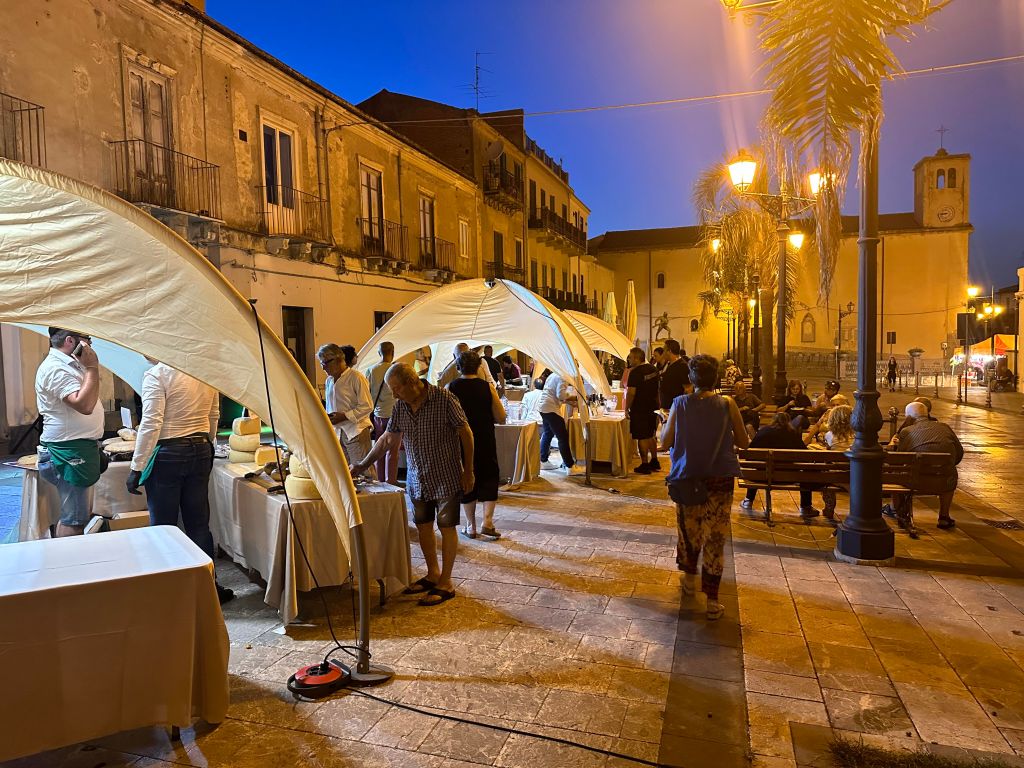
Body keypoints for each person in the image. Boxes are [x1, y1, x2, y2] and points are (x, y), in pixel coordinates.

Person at [351, 363, 474, 606]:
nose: (394, 394)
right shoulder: (400, 407)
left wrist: (468, 471)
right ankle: (432, 574)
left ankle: (446, 583)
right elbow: (387, 439)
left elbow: (466, 433)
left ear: (411, 382)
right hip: (418, 478)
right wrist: (363, 464)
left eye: (397, 388)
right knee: (424, 526)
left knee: (447, 527)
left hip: (446, 475)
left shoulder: (445, 399)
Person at [126, 361, 233, 603]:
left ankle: (166, 591)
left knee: (163, 525)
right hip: (201, 446)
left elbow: (152, 422)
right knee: (198, 524)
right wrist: (207, 444)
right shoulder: (203, 370)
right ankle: (209, 587)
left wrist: (137, 466)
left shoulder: (157, 374)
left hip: (169, 452)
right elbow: (214, 415)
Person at [661, 354, 749, 620]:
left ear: (690, 379)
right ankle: (712, 600)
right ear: (717, 379)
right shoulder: (727, 404)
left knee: (689, 531)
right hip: (720, 478)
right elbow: (744, 442)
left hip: (687, 477)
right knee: (715, 536)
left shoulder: (679, 404)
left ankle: (689, 581)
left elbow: (665, 443)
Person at [34, 328, 104, 537]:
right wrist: (92, 368)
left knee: (78, 515)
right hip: (67, 449)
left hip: (76, 446)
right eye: (88, 340)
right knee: (74, 519)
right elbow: (84, 405)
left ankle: (72, 562)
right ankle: (68, 566)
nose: (91, 345)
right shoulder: (55, 368)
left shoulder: (71, 364)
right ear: (71, 341)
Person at [448, 350, 506, 540]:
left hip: (461, 440)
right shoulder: (486, 387)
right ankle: (487, 523)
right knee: (489, 475)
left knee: (467, 477)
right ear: (480, 366)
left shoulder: (452, 387)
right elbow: (501, 417)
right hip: (485, 437)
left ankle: (470, 525)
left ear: (458, 367)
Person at [888, 401, 963, 530]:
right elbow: (959, 453)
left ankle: (898, 510)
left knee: (897, 473)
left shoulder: (907, 431)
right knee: (950, 472)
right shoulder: (945, 427)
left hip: (915, 481)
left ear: (909, 418)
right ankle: (944, 516)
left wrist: (893, 444)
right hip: (944, 481)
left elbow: (898, 458)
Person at [740, 412, 820, 518]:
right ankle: (805, 507)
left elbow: (750, 454)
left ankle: (748, 500)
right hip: (788, 477)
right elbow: (804, 455)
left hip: (761, 477)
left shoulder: (763, 431)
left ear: (773, 420)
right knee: (805, 472)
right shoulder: (792, 433)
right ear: (789, 422)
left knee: (760, 466)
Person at [318, 343, 375, 475]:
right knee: (344, 473)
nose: (323, 367)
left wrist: (344, 416)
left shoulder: (356, 377)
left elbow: (367, 406)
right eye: (321, 364)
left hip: (356, 431)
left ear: (338, 359)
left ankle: (373, 496)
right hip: (337, 432)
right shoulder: (329, 381)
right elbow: (330, 405)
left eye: (325, 363)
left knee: (364, 472)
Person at [807, 404, 854, 520]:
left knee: (826, 472)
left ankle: (829, 507)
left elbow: (829, 451)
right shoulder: (858, 436)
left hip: (836, 476)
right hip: (854, 473)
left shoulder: (830, 435)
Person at [366, 341, 401, 485]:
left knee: (379, 448)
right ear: (392, 352)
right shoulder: (396, 369)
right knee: (393, 450)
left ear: (379, 353)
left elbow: (368, 393)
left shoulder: (371, 370)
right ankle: (391, 480)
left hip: (379, 414)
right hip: (395, 414)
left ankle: (379, 479)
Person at [624, 347, 661, 474]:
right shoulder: (653, 369)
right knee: (651, 434)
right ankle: (655, 461)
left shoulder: (635, 372)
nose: (629, 359)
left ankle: (644, 464)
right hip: (653, 406)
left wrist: (626, 408)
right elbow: (657, 389)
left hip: (640, 408)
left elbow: (631, 393)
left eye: (630, 357)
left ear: (636, 358)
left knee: (642, 436)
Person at [538, 370, 581, 474]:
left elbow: (556, 394)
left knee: (548, 433)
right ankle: (570, 466)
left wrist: (571, 402)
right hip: (550, 408)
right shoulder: (563, 376)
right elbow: (560, 395)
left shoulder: (554, 374)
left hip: (543, 406)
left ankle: (543, 460)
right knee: (563, 437)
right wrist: (575, 397)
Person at [659, 339, 688, 411]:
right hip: (667, 406)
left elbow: (687, 389)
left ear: (670, 351)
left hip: (676, 407)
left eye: (664, 350)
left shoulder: (682, 366)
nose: (663, 353)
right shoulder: (668, 364)